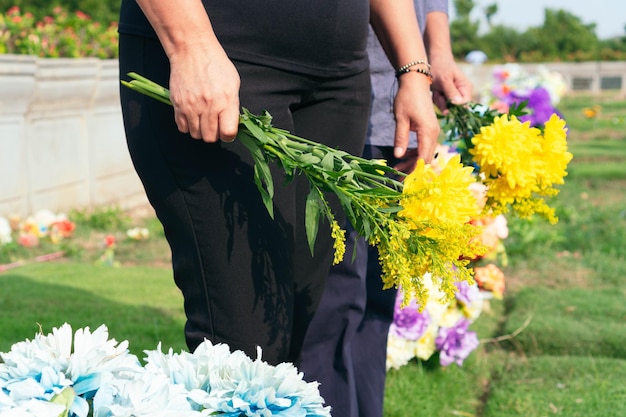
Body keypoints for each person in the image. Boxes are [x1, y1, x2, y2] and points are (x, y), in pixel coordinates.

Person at [117, 0, 440, 367]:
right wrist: (190, 45)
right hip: (223, 58)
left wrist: (414, 72)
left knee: (296, 323)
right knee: (246, 345)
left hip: (338, 82)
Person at [298, 1, 474, 416]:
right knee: (334, 297)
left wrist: (437, 56)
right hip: (330, 90)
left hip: (394, 104)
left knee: (376, 300)